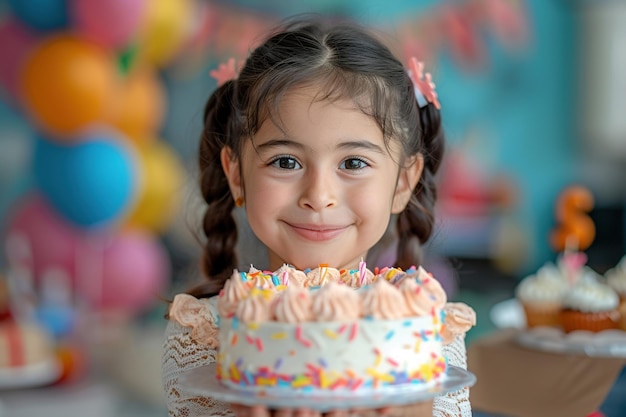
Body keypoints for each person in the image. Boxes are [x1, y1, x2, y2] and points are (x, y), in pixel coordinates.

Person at [162, 15, 472, 417]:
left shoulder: (426, 333)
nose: (319, 196)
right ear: (237, 174)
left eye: (354, 162)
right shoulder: (201, 336)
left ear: (402, 182)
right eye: (286, 161)